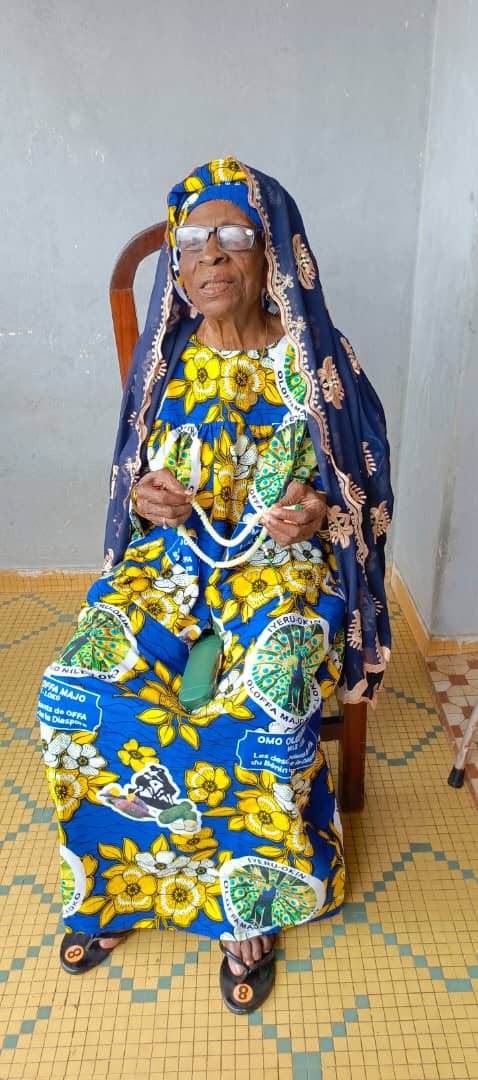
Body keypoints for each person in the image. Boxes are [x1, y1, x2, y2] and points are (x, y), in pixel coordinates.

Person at [37, 157, 393, 1014]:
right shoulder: (164, 359)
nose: (211, 257)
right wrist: (147, 497)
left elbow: (365, 479)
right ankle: (119, 884)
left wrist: (318, 509)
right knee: (76, 689)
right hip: (172, 563)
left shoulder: (318, 359)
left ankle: (247, 901)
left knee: (259, 703)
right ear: (177, 261)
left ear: (274, 256)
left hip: (282, 567)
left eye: (234, 237)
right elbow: (134, 475)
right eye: (193, 241)